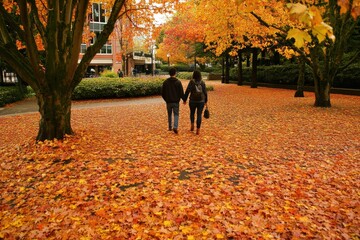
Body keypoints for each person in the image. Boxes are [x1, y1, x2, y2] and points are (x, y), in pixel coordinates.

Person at [183, 70, 208, 135]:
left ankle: (192, 125)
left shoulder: (191, 82)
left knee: (192, 113)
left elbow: (187, 91)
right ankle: (198, 129)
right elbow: (205, 92)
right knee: (199, 114)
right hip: (201, 101)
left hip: (192, 100)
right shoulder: (202, 82)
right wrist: (206, 101)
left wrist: (184, 99)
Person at [161, 68, 184, 134]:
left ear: (169, 73)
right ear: (175, 73)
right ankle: (175, 127)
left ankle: (170, 127)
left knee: (169, 114)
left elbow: (162, 93)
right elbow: (181, 92)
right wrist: (184, 99)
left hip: (168, 102)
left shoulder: (166, 82)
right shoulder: (178, 82)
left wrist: (166, 99)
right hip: (176, 101)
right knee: (176, 114)